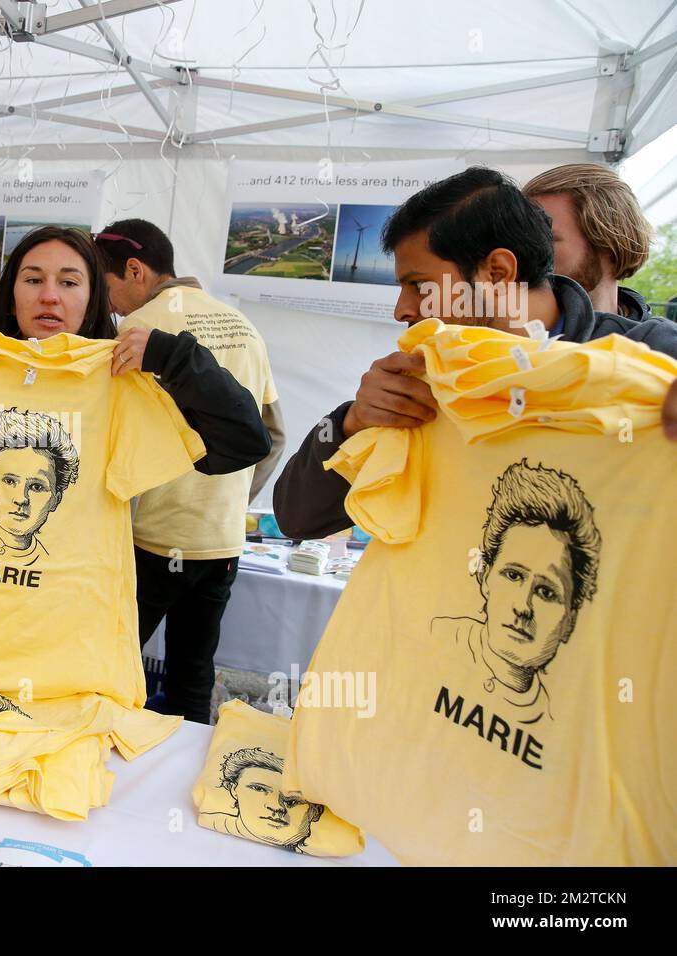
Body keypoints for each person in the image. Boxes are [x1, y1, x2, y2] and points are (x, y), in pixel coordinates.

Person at [274, 167, 677, 542]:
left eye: (420, 285)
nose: (402, 310)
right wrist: (352, 423)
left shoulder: (651, 355)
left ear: (498, 272)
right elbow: (297, 518)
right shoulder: (419, 381)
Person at [0, 225, 272, 480]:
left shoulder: (118, 386)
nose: (50, 296)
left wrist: (176, 359)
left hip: (65, 625)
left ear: (94, 297)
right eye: (34, 279)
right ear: (12, 294)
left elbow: (242, 442)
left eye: (70, 282)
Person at [94, 219, 284, 723]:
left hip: (146, 536)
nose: (105, 301)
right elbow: (272, 435)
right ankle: (179, 786)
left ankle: (104, 775)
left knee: (112, 666)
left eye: (104, 284)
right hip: (221, 539)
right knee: (192, 675)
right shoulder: (243, 325)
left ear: (134, 270)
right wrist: (230, 495)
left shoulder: (132, 332)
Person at [432, 459, 601, 726]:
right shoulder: (432, 638)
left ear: (570, 620)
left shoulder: (564, 723)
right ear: (485, 575)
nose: (523, 607)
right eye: (513, 575)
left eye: (546, 592)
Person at [523, 163, 653, 320]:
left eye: (546, 240)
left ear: (608, 242)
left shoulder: (658, 342)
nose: (522, 254)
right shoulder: (504, 335)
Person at [0, 406, 80, 566]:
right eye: (10, 481)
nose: (21, 499)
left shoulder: (54, 565)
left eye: (36, 487)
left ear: (56, 499)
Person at [203, 747, 323, 852]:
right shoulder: (204, 828)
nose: (277, 807)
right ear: (233, 789)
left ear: (316, 811)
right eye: (259, 789)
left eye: (292, 801)